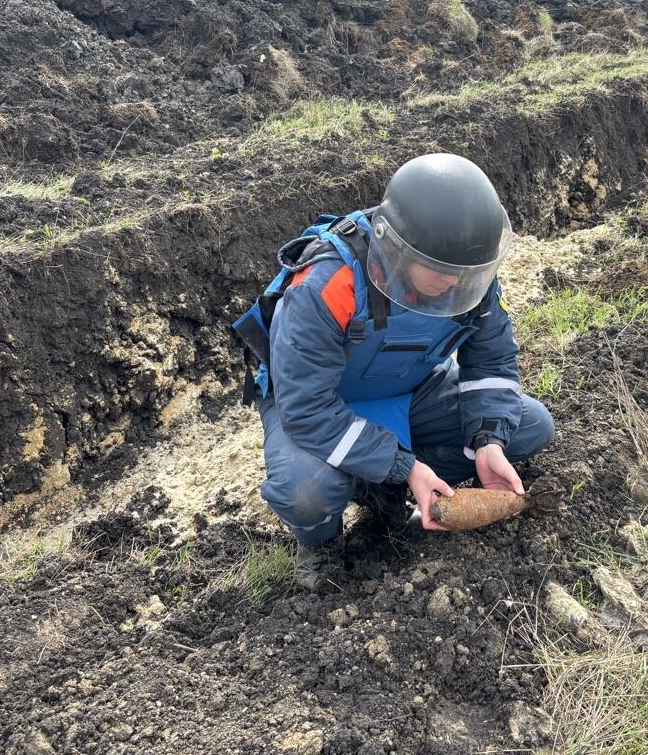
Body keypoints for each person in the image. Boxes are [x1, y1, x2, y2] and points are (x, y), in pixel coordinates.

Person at [232, 153, 554, 591]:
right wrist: (402, 466)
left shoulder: (465, 276)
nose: (454, 285)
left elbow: (491, 363)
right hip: (323, 408)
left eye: (465, 276)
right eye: (441, 273)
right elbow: (306, 409)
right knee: (306, 491)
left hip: (411, 388)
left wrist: (488, 439)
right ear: (396, 248)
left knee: (530, 425)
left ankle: (382, 488)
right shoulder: (327, 284)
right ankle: (322, 543)